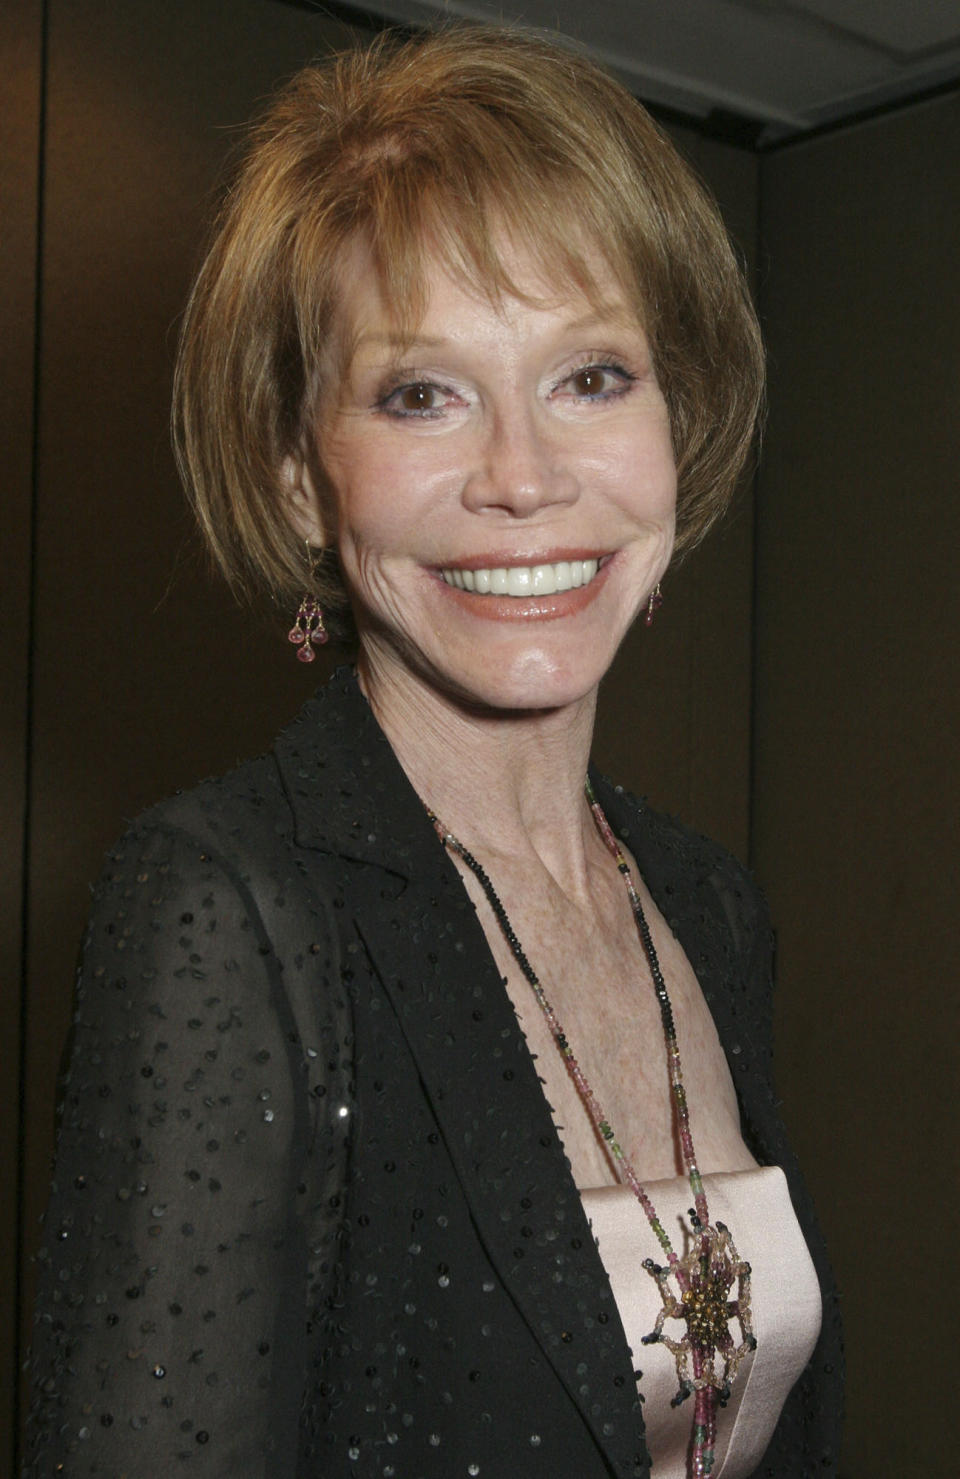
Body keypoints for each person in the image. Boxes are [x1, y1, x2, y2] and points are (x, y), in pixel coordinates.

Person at [23, 25, 842, 1479]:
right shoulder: (230, 908)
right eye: (423, 394)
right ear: (298, 479)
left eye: (592, 377)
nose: (525, 478)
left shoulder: (708, 906)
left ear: (678, 422)